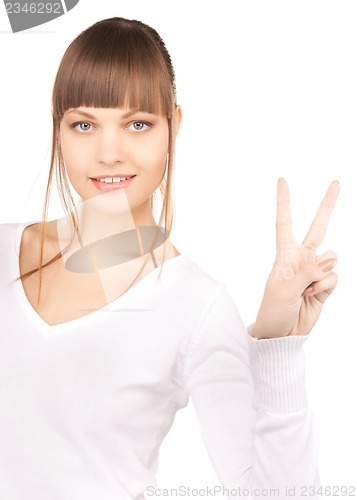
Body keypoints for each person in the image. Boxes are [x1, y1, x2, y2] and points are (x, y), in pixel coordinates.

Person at [0, 16, 339, 500]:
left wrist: (279, 346)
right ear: (58, 129)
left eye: (138, 124)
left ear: (173, 126)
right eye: (84, 124)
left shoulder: (195, 305)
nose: (109, 153)